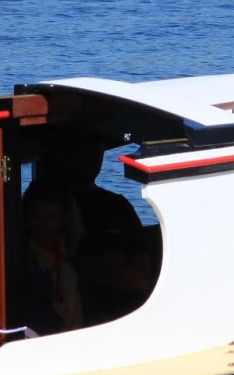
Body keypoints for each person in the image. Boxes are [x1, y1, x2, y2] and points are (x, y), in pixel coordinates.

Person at [39, 141, 155, 322]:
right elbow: (51, 274)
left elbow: (140, 278)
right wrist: (112, 262)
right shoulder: (50, 206)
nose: (92, 158)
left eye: (98, 151)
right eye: (83, 151)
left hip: (121, 318)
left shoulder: (118, 206)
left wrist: (81, 274)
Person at [20, 179, 93, 336]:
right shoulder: (21, 258)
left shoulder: (71, 257)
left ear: (65, 219)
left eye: (52, 218)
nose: (43, 226)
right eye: (36, 217)